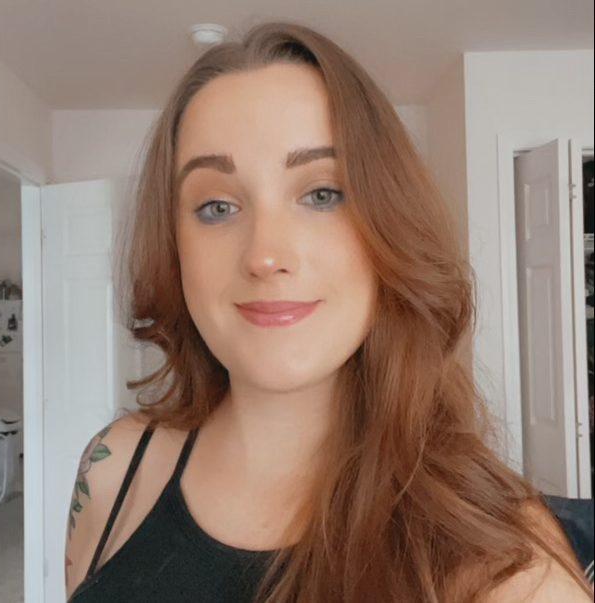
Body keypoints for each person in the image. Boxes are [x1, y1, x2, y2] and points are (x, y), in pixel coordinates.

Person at [63, 20, 593, 602]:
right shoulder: (113, 470)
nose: (265, 256)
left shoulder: (507, 566)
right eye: (216, 206)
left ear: (388, 227)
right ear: (174, 247)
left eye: (322, 195)